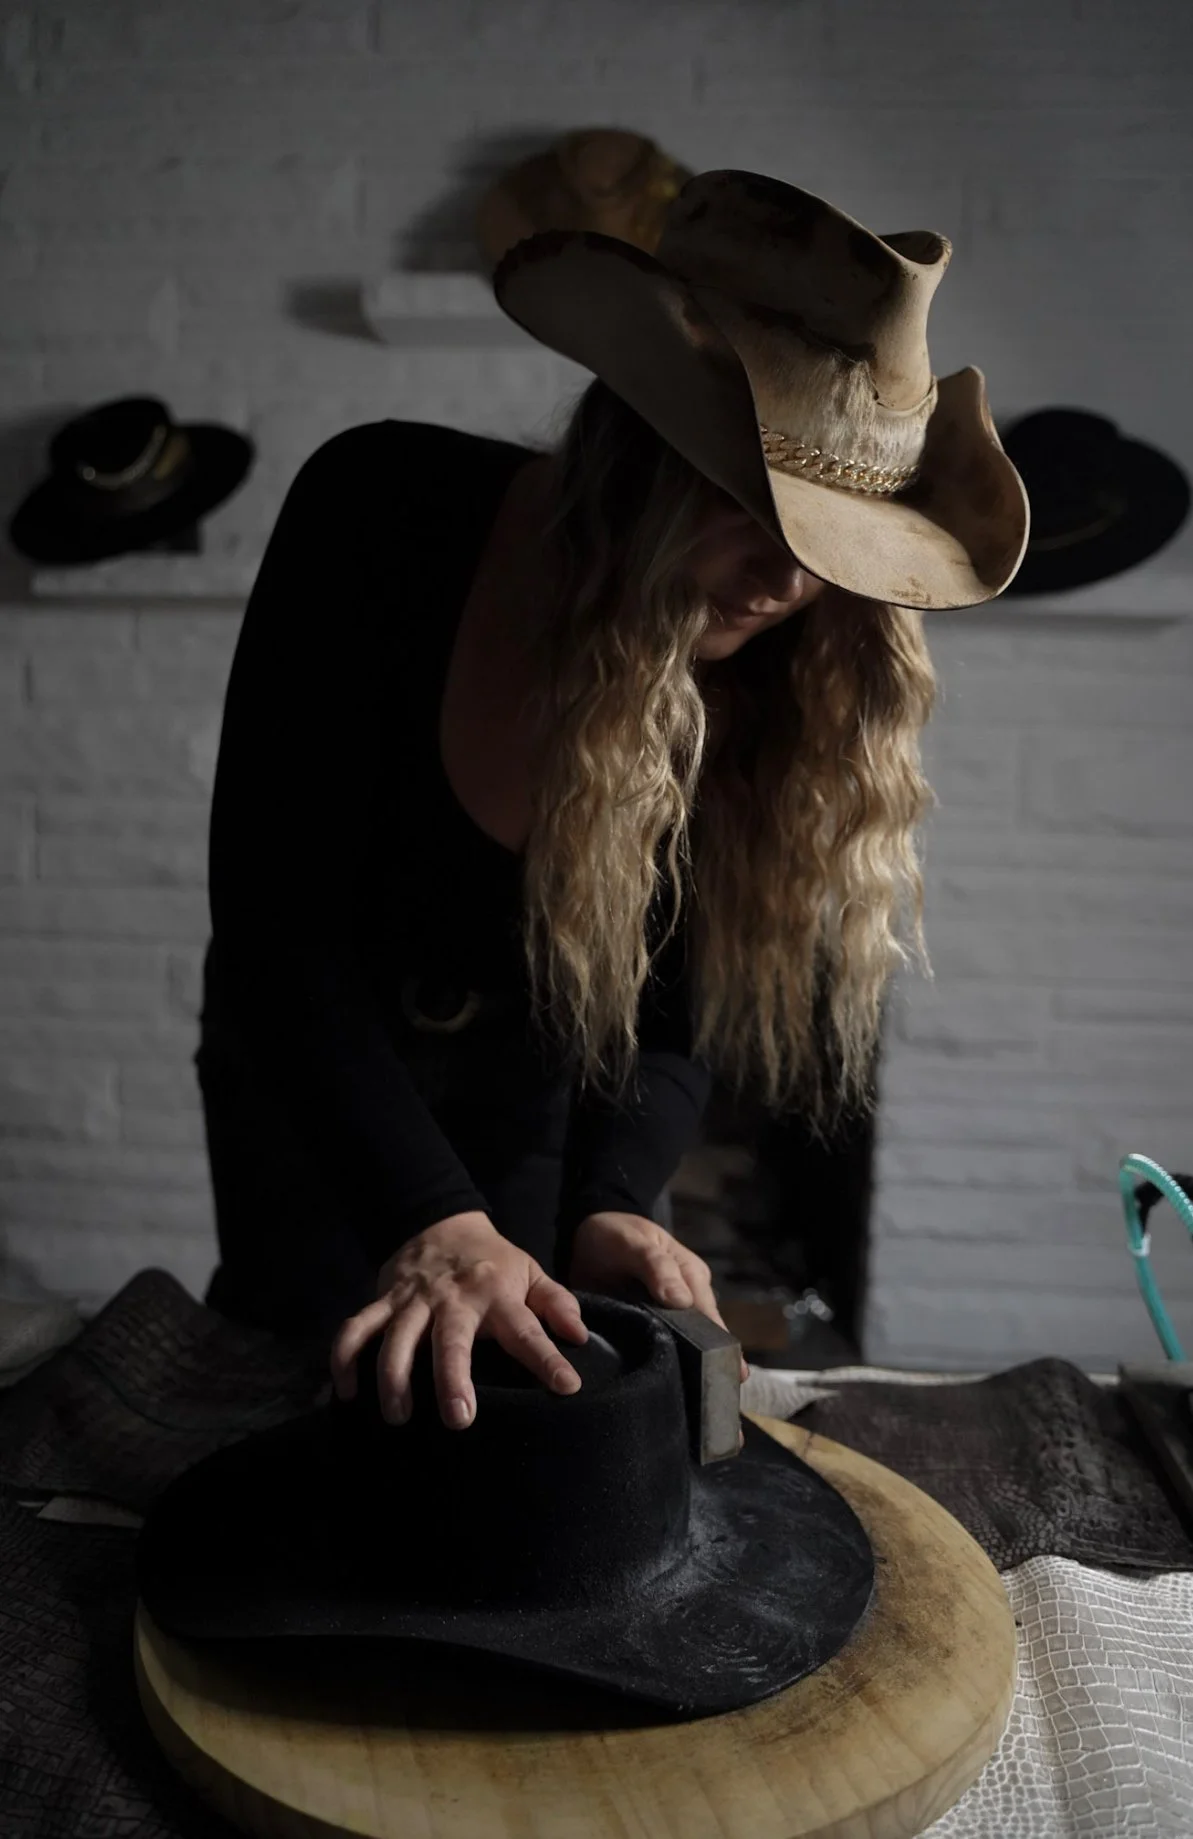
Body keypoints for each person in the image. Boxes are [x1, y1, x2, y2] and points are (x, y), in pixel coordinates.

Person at [194, 171, 1027, 1437]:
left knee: (509, 1420)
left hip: (539, 1094)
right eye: (754, 512)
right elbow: (273, 924)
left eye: (829, 549)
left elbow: (675, 1019)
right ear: (642, 453)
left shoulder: (782, 674)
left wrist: (619, 1198)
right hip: (314, 1076)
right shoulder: (376, 513)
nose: (788, 585)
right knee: (287, 1411)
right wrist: (427, 1216)